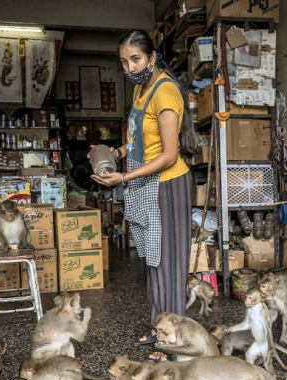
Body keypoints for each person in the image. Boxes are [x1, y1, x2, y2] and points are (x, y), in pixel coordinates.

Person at [91, 30, 195, 344]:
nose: (130, 68)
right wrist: (115, 154)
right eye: (124, 62)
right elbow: (140, 140)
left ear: (152, 57)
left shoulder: (165, 92)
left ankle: (173, 339)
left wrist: (123, 178)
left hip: (168, 185)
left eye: (136, 59)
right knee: (154, 261)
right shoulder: (142, 91)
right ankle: (159, 329)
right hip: (149, 183)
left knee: (170, 265)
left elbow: (168, 154)